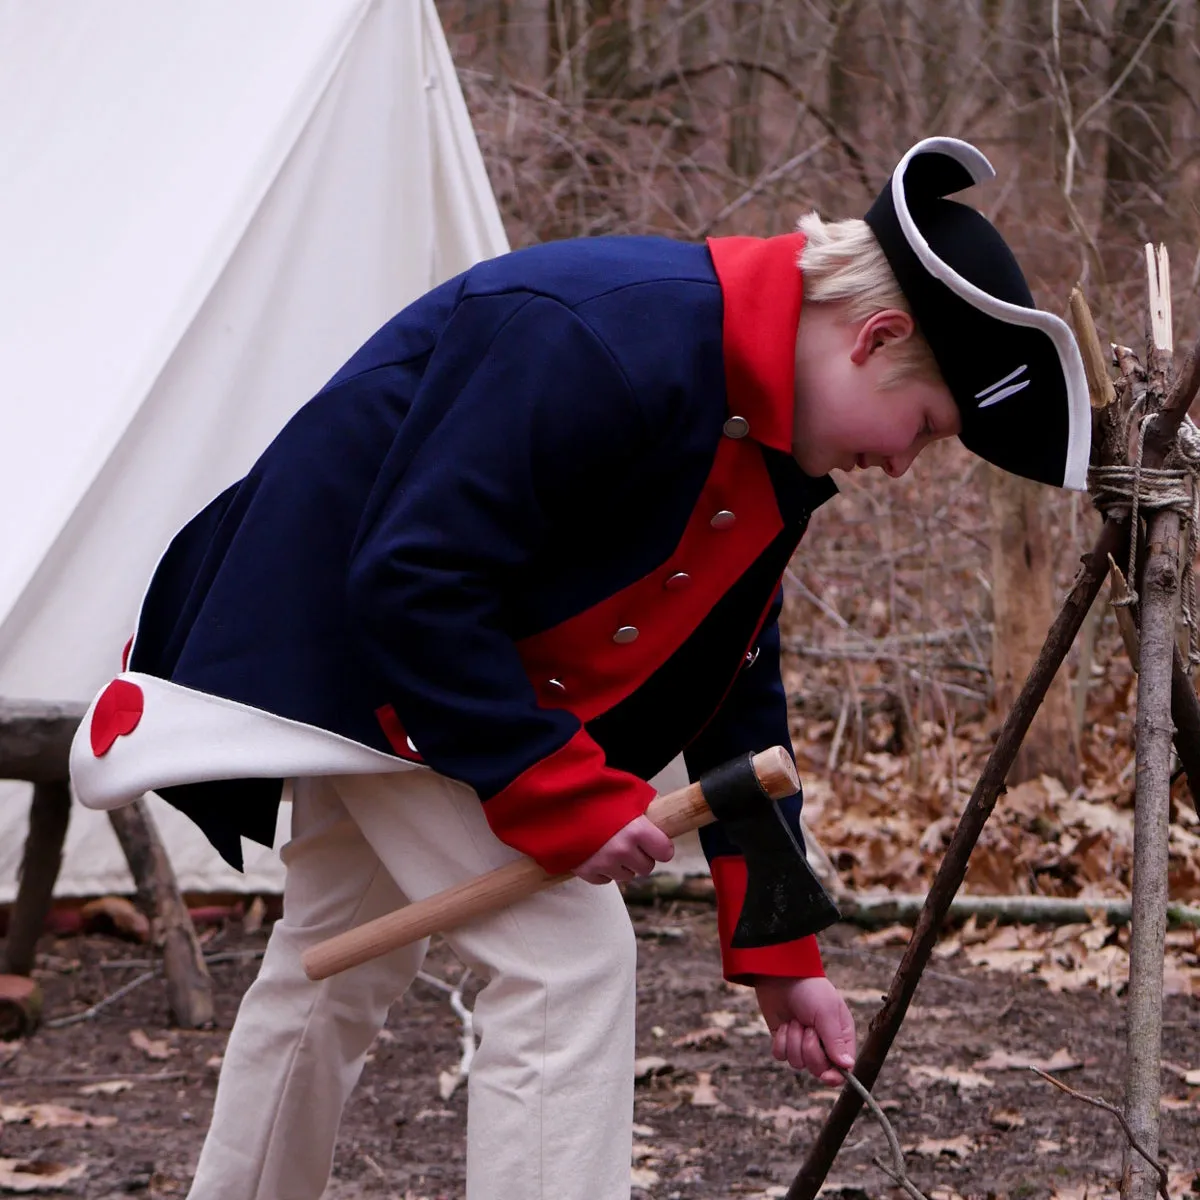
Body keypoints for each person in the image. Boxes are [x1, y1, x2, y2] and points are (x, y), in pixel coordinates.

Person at [70, 136, 1090, 1200]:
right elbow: (415, 574)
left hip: (419, 678)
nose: (898, 463)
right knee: (567, 964)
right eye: (923, 429)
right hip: (357, 662)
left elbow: (733, 682)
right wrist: (554, 787)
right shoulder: (607, 333)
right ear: (876, 337)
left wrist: (780, 952)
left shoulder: (762, 437)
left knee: (336, 963)